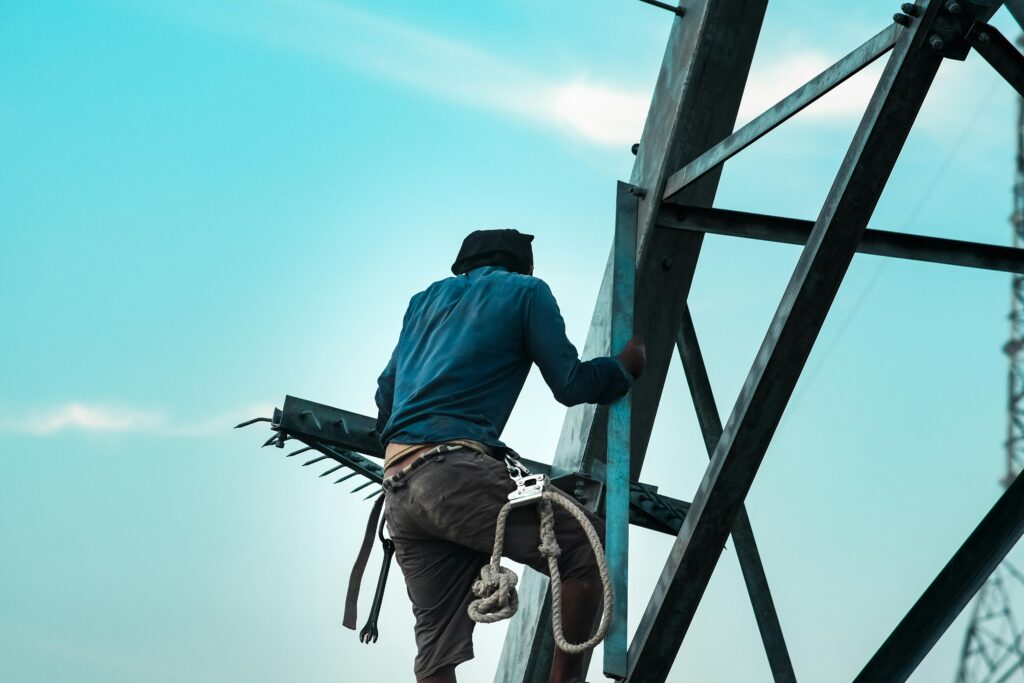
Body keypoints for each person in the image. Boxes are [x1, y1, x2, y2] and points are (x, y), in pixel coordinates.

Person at [375, 228, 645, 683]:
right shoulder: (527, 291)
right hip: (451, 471)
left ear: (463, 264)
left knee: (436, 651)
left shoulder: (422, 302)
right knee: (586, 547)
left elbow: (385, 397)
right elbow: (570, 384)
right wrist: (624, 367)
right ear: (524, 265)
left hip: (399, 489)